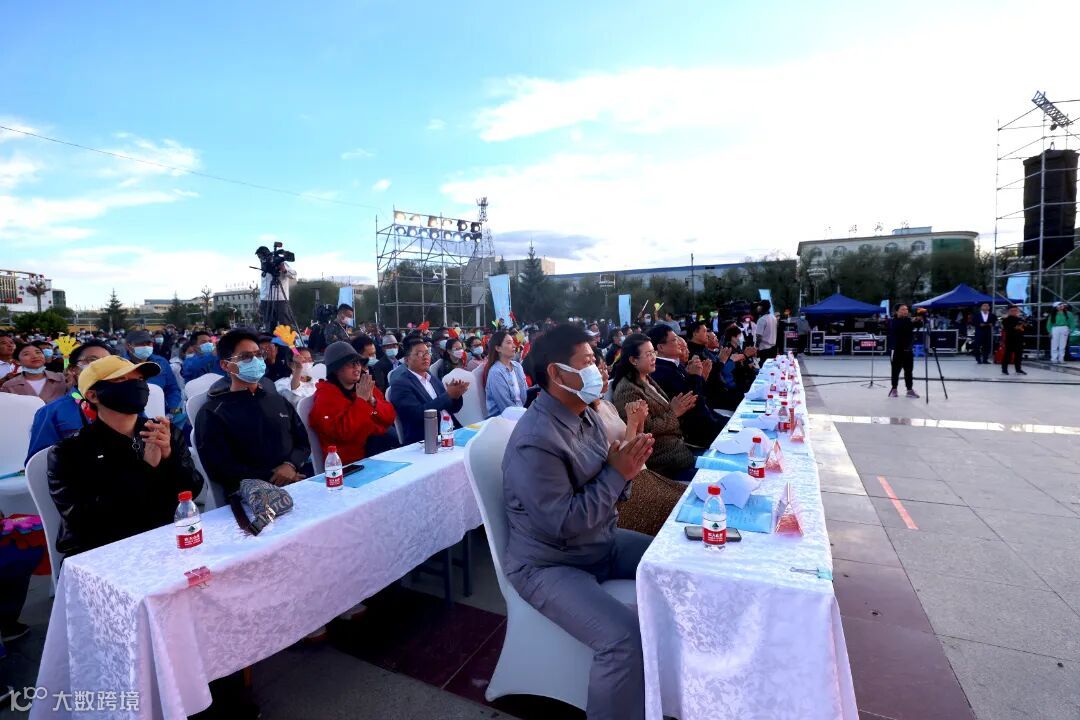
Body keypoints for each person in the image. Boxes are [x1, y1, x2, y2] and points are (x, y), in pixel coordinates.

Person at [502, 323, 654, 720]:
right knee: (623, 639)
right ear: (556, 373)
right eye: (587, 362)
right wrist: (618, 473)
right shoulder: (536, 440)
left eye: (597, 359)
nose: (598, 370)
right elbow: (564, 522)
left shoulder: (584, 415)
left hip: (598, 541)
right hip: (549, 563)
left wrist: (624, 467)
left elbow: (610, 482)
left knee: (669, 560)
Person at [47, 355, 202, 557]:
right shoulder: (70, 451)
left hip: (166, 539)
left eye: (139, 380)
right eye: (121, 380)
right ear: (93, 396)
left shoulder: (163, 432)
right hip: (103, 553)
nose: (136, 386)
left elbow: (192, 490)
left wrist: (169, 458)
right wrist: (145, 468)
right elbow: (84, 519)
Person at [195, 329, 310, 494]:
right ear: (226, 365)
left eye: (258, 355)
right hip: (252, 495)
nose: (255, 361)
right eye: (246, 357)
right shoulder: (214, 413)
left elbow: (303, 442)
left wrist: (290, 465)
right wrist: (274, 476)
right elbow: (219, 467)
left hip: (298, 481)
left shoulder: (277, 400)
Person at [610, 334, 698, 483]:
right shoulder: (628, 390)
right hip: (664, 463)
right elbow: (643, 430)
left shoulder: (647, 378)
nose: (654, 358)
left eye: (653, 352)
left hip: (679, 451)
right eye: (648, 354)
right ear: (633, 360)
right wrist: (674, 413)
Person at [309, 342, 397, 465]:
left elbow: (390, 417)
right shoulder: (325, 397)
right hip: (350, 464)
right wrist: (362, 401)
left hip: (379, 453)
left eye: (358, 363)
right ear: (336, 369)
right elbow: (343, 433)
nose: (357, 368)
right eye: (351, 364)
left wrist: (373, 402)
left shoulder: (364, 386)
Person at [25, 340, 112, 462]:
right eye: (92, 360)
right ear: (73, 369)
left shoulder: (127, 404)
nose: (101, 366)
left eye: (108, 362)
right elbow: (39, 462)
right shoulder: (50, 412)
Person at [648, 326, 725, 447]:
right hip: (698, 433)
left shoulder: (675, 365)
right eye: (674, 340)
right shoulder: (661, 371)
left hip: (708, 420)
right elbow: (694, 403)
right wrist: (696, 376)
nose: (679, 342)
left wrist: (701, 377)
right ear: (661, 347)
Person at [388, 337, 468, 444]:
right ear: (407, 360)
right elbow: (417, 414)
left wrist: (456, 395)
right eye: (419, 354)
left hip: (451, 431)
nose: (425, 357)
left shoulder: (432, 378)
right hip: (426, 439)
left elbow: (453, 409)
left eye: (427, 353)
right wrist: (448, 395)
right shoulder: (401, 384)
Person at [125, 330, 182, 415]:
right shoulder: (120, 365)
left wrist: (172, 408)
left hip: (160, 413)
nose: (145, 347)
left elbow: (172, 388)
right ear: (128, 346)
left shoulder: (161, 362)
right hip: (131, 415)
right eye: (140, 344)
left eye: (149, 344)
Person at [0, 344, 68, 403]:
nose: (35, 356)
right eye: (26, 354)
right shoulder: (9, 386)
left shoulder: (62, 378)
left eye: (38, 352)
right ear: (17, 361)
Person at [483, 330, 528, 418]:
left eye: (513, 342)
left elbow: (525, 395)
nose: (514, 346)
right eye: (509, 343)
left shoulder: (517, 366)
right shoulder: (496, 372)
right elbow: (506, 407)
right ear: (498, 348)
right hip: (502, 419)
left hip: (520, 414)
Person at [887, 304, 923, 397]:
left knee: (909, 370)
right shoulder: (893, 321)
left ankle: (909, 390)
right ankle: (894, 389)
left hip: (908, 349)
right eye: (903, 309)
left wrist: (920, 318)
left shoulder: (908, 320)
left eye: (906, 309)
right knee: (895, 370)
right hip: (897, 349)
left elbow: (919, 325)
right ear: (897, 311)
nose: (905, 311)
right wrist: (912, 320)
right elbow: (901, 326)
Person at [1001, 306, 1027, 375]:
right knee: (1008, 355)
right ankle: (1004, 369)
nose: (1014, 312)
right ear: (1009, 311)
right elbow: (1007, 329)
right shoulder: (1006, 320)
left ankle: (1018, 369)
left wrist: (1024, 326)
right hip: (1010, 339)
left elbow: (1025, 328)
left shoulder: (1020, 319)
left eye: (1015, 310)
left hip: (1019, 339)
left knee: (1019, 355)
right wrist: (1016, 327)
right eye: (1012, 310)